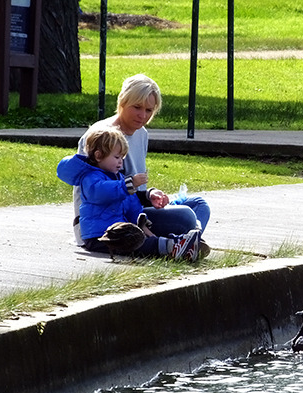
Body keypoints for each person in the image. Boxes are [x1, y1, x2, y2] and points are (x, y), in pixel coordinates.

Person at [72, 73, 211, 246]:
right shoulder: (102, 135)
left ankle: (187, 243)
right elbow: (102, 192)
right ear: (122, 102)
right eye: (137, 107)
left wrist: (151, 194)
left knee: (199, 204)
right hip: (113, 219)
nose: (142, 116)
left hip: (139, 206)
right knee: (186, 216)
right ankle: (184, 242)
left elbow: (137, 188)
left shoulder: (142, 133)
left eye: (149, 110)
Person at [58, 125, 203, 261]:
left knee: (138, 239)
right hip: (98, 236)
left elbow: (131, 203)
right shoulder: (90, 178)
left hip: (117, 232)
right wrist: (129, 184)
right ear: (98, 155)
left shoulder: (119, 178)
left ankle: (179, 245)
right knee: (133, 243)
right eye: (116, 157)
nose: (120, 162)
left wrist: (142, 223)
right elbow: (102, 192)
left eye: (122, 157)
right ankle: (172, 247)